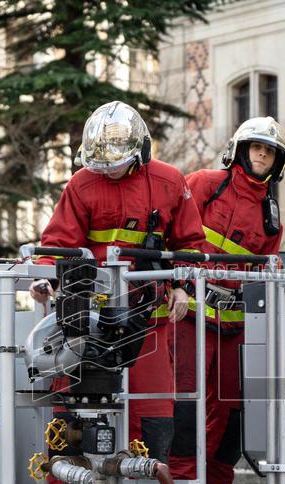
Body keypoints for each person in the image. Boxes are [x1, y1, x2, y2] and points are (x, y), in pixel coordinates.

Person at [31, 101, 205, 461]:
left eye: (114, 165)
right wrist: (45, 278)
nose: (107, 172)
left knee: (153, 411)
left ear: (140, 152)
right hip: (86, 319)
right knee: (71, 410)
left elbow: (190, 243)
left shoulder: (169, 182)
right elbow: (58, 243)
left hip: (148, 317)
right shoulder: (82, 184)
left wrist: (182, 287)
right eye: (100, 166)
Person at [169, 117, 285, 484]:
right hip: (189, 315)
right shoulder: (205, 184)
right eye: (256, 147)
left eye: (269, 151)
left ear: (277, 162)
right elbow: (173, 233)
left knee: (232, 410)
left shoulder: (271, 216)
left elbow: (264, 270)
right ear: (239, 150)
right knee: (185, 403)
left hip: (234, 325)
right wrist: (175, 286)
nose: (262, 155)